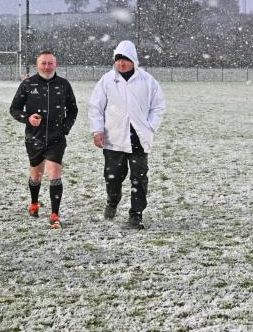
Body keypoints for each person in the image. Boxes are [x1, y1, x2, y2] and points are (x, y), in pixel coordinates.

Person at [87, 40, 166, 229]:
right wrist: (97, 130)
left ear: (133, 60)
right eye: (118, 59)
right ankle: (112, 201)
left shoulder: (147, 81)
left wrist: (150, 126)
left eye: (125, 59)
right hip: (113, 139)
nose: (121, 63)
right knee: (113, 176)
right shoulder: (107, 80)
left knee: (139, 178)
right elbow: (95, 107)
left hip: (139, 139)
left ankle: (136, 214)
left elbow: (158, 106)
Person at [9, 50, 78, 228]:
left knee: (54, 173)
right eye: (43, 63)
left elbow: (73, 109)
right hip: (35, 138)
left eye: (50, 63)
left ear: (56, 64)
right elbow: (14, 109)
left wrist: (65, 128)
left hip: (56, 138)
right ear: (37, 65)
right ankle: (34, 203)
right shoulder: (28, 84)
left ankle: (55, 214)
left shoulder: (63, 84)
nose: (47, 67)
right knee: (36, 175)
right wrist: (28, 118)